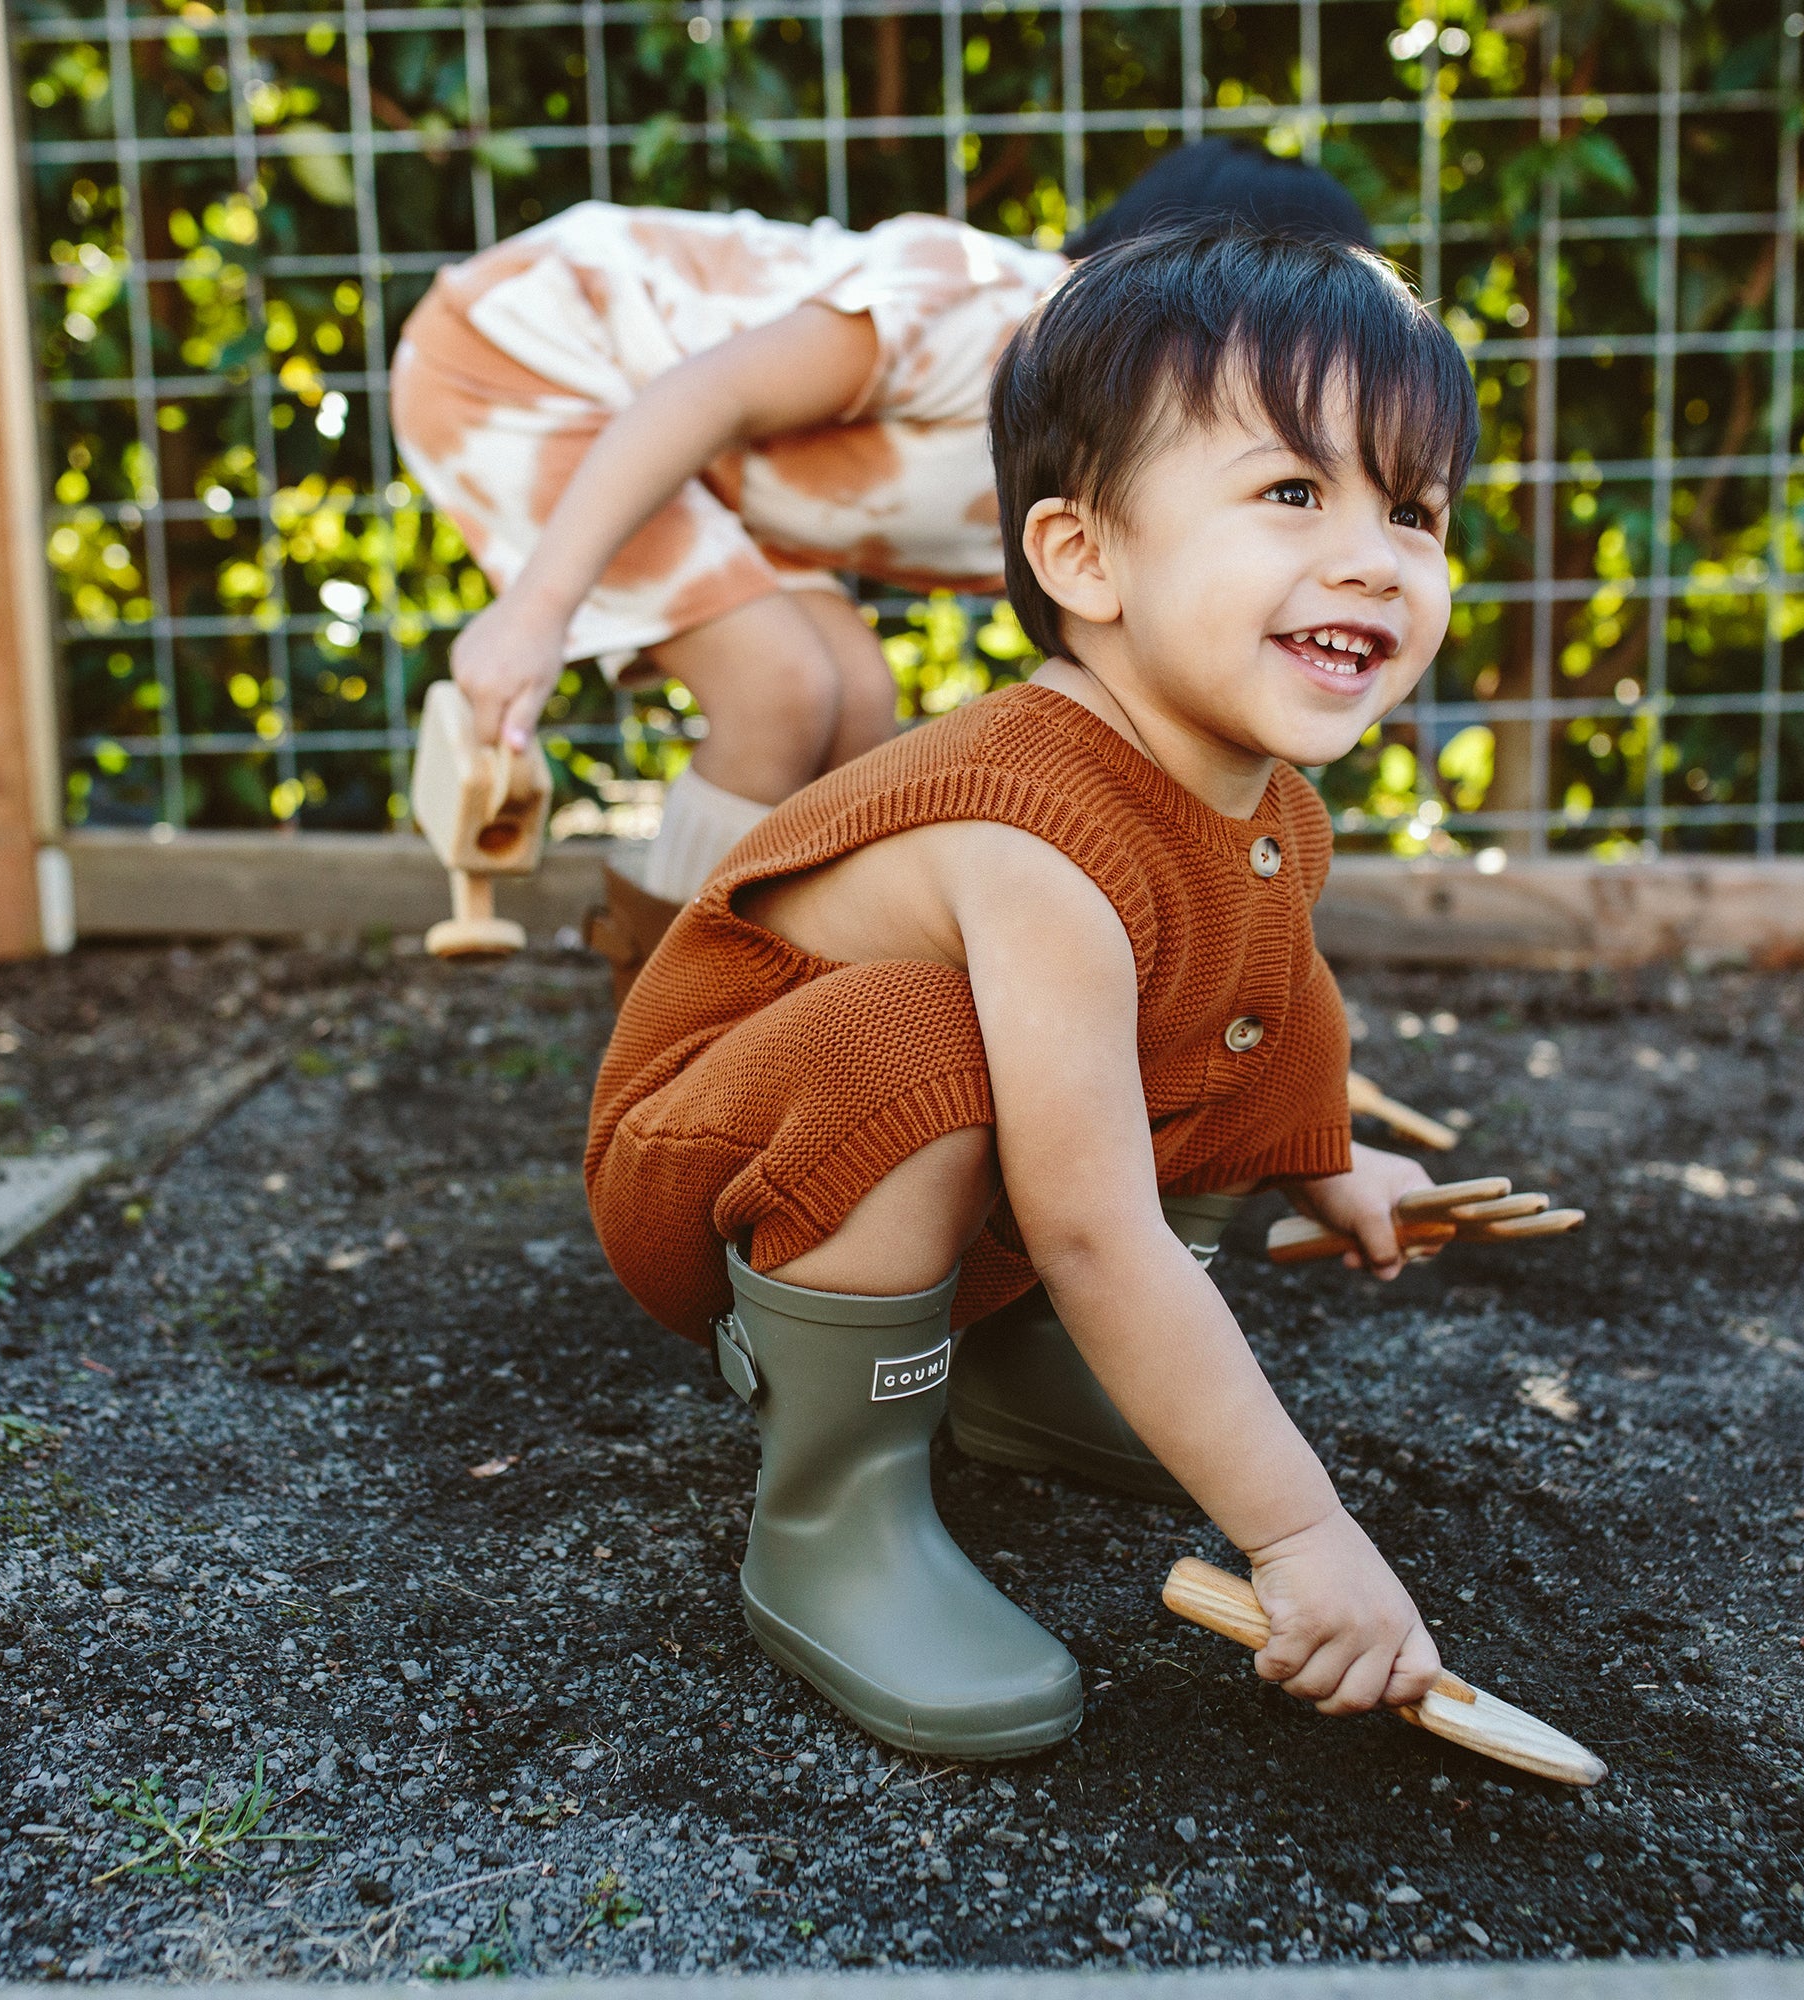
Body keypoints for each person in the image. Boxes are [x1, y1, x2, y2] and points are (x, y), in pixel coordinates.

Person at [581, 228, 1481, 1757]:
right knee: (916, 1041)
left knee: (1193, 988)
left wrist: (1328, 1160)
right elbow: (1093, 1222)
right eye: (1291, 494)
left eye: (1415, 509)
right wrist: (1301, 1535)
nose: (1371, 555)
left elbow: (1270, 989)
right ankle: (832, 1512)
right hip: (711, 1171)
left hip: (894, 1169)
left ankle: (1007, 1367)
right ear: (1084, 557)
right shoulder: (1032, 832)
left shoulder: (1258, 805)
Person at [389, 147, 1371, 990]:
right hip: (529, 351)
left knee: (856, 702)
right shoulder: (989, 317)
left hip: (702, 465)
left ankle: (794, 1007)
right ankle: (666, 1021)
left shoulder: (1145, 458)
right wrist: (536, 609)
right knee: (778, 690)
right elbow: (710, 393)